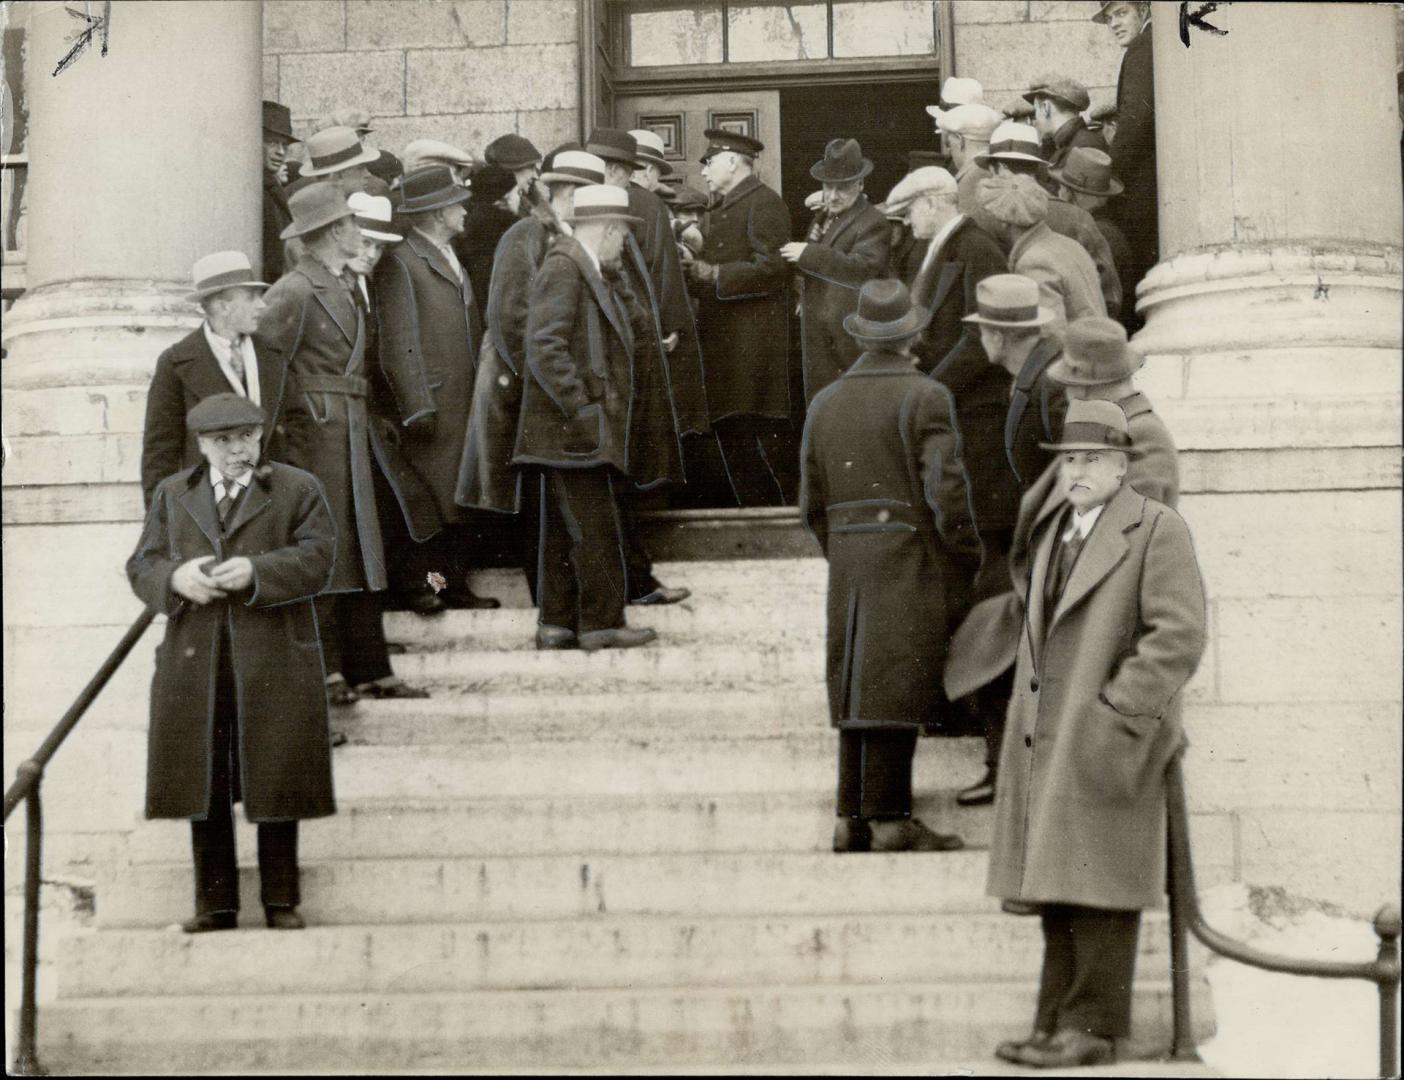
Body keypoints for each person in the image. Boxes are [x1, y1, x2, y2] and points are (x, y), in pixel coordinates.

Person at [986, 396, 1206, 1068]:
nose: (1077, 471)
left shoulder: (1155, 528)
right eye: (1068, 460)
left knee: (1103, 887)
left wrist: (1118, 714)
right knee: (1058, 883)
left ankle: (1093, 1029)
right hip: (1050, 737)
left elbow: (1179, 635)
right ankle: (1054, 1020)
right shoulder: (1059, 532)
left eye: (1093, 459)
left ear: (1121, 466)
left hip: (1109, 738)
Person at [127, 393, 337, 934]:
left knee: (276, 773)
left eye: (246, 436)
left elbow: (320, 557)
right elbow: (142, 562)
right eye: (223, 441)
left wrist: (259, 571)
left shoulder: (297, 489)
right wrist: (173, 579)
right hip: (198, 656)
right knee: (206, 779)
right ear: (201, 445)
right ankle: (215, 905)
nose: (237, 450)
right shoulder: (175, 494)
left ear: (260, 435)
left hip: (272, 652)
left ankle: (281, 899)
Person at [799, 279, 979, 853]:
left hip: (850, 555)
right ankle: (889, 818)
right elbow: (945, 492)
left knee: (857, 679)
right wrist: (965, 553)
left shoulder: (824, 401)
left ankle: (851, 816)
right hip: (907, 550)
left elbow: (810, 503)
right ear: (914, 335)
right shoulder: (927, 396)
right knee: (896, 679)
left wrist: (846, 546)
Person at [258, 182, 398, 708]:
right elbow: (268, 371)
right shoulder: (294, 289)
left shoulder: (338, 282)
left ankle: (365, 666)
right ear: (337, 230)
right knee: (329, 548)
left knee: (360, 549)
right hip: (316, 438)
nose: (359, 234)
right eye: (352, 225)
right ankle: (328, 669)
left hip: (347, 430)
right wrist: (274, 445)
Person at [512, 185, 661, 651]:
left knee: (565, 526)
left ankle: (556, 624)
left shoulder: (589, 268)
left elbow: (638, 330)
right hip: (573, 429)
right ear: (609, 229)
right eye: (623, 233)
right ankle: (599, 622)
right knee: (596, 524)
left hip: (574, 429)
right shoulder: (565, 267)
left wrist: (617, 280)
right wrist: (581, 406)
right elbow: (544, 345)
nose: (626, 243)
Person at [457, 148, 607, 600]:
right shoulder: (528, 232)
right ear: (567, 192)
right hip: (520, 387)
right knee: (530, 497)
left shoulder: (564, 235)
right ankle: (549, 602)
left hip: (547, 389)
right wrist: (536, 380)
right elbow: (509, 314)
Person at [951, 274, 1065, 808]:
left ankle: (1011, 770)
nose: (980, 342)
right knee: (995, 648)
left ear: (999, 335)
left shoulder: (1049, 383)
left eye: (982, 332)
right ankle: (1005, 767)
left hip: (1045, 550)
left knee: (998, 648)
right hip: (1027, 545)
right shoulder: (1033, 376)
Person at [375, 165, 500, 613]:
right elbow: (398, 341)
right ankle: (427, 586)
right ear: (435, 212)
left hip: (463, 400)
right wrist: (415, 405)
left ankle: (452, 585)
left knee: (459, 500)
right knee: (432, 505)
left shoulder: (450, 255)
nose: (465, 210)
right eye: (456, 203)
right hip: (434, 405)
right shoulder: (402, 262)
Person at [687, 128, 792, 507]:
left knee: (753, 441)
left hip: (751, 352)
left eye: (709, 162)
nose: (704, 172)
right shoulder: (727, 205)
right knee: (736, 440)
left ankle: (776, 527)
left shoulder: (764, 204)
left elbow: (773, 269)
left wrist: (711, 274)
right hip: (730, 350)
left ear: (732, 161)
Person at [141, 251, 284, 508]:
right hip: (209, 508)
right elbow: (159, 454)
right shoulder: (175, 363)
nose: (262, 305)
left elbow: (295, 431)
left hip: (270, 505)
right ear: (222, 305)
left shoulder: (273, 356)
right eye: (251, 297)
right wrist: (162, 522)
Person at [782, 138, 890, 404]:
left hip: (844, 342)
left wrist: (810, 254)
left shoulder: (873, 221)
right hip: (821, 335)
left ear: (861, 184)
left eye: (842, 188)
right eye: (828, 187)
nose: (833, 195)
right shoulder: (825, 216)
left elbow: (863, 268)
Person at [976, 121, 1121, 319]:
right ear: (1037, 166)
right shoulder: (1077, 218)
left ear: (998, 168)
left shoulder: (985, 218)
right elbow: (1109, 295)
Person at [885, 166, 1005, 376]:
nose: (905, 221)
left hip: (970, 397)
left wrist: (932, 386)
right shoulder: (934, 246)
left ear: (931, 204)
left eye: (908, 212)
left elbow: (981, 338)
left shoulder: (978, 249)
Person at [978, 174, 1106, 339]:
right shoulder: (1068, 244)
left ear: (1003, 220)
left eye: (990, 214)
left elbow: (1051, 337)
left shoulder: (1034, 262)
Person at [1095, 1, 1157, 284]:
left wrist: (1108, 178)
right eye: (1109, 18)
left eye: (1122, 13)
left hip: (1143, 187)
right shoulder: (1151, 44)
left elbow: (1134, 121)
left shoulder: (1141, 50)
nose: (1114, 24)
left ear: (1143, 10)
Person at [1050, 148, 1136, 334]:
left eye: (1061, 187)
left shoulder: (1096, 232)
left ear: (1069, 192)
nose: (1059, 193)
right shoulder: (1107, 228)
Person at [458, 162, 522, 324]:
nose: (520, 198)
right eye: (517, 193)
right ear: (503, 198)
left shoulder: (472, 225)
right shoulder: (509, 231)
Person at [1023, 75, 1106, 172]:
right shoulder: (1067, 143)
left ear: (1046, 108)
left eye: (1035, 111)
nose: (1034, 120)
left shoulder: (1083, 150)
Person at [934, 103, 1004, 218]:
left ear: (960, 140)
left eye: (949, 142)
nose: (949, 149)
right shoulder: (998, 170)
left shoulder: (969, 182)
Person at [261, 101, 298, 281]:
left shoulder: (271, 186)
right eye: (272, 143)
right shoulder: (255, 191)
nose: (280, 152)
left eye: (285, 145)